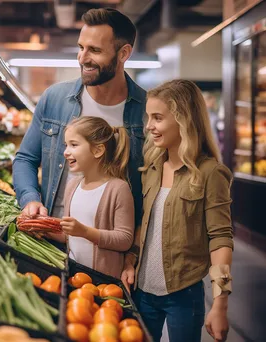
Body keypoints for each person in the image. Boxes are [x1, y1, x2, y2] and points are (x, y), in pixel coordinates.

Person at [121, 80, 234, 342]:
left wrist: (220, 304)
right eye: (149, 117)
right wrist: (130, 259)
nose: (149, 126)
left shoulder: (210, 174)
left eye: (158, 118)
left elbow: (220, 239)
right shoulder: (151, 167)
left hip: (183, 295)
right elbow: (145, 223)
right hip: (142, 291)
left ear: (184, 120)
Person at [13, 8, 146, 228]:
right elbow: (25, 159)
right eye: (81, 47)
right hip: (53, 232)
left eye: (94, 50)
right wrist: (30, 199)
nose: (83, 58)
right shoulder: (54, 99)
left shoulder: (147, 110)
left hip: (114, 244)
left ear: (123, 53)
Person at [50, 116, 134, 278]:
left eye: (74, 145)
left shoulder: (118, 189)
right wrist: (45, 229)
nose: (66, 152)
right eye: (66, 145)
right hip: (73, 273)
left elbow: (124, 239)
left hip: (102, 281)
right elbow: (69, 235)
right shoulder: (72, 186)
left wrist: (85, 231)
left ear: (98, 150)